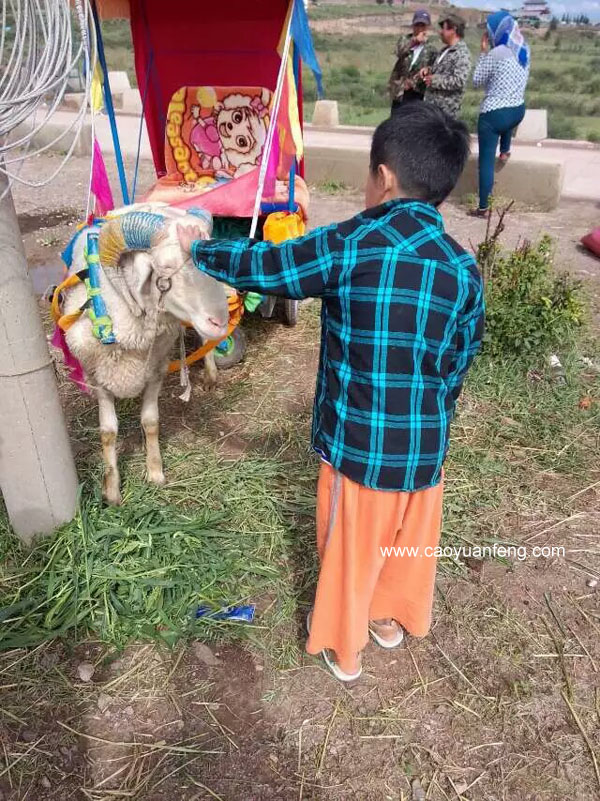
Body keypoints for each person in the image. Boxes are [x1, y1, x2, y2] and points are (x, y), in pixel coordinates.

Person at [177, 103, 484, 683]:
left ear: (383, 178)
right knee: (407, 541)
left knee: (350, 549)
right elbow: (459, 361)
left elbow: (272, 266)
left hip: (359, 451)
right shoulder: (462, 268)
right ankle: (389, 622)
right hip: (425, 452)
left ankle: (346, 650)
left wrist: (199, 248)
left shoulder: (355, 243)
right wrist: (430, 419)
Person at [471, 11, 530, 215]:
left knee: (485, 162)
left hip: (495, 115)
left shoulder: (496, 54)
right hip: (518, 111)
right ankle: (505, 150)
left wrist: (482, 52)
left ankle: (483, 207)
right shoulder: (524, 49)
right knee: (507, 113)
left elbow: (477, 80)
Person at [421, 13, 471, 119]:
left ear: (453, 30)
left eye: (443, 29)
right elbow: (441, 71)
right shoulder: (444, 50)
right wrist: (428, 70)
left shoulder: (461, 53)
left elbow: (459, 80)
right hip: (432, 109)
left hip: (445, 113)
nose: (441, 32)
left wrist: (434, 81)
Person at [388, 9, 437, 111]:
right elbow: (399, 52)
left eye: (422, 26)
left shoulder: (431, 48)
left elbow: (434, 67)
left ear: (427, 27)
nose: (419, 28)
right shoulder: (405, 40)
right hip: (400, 90)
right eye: (417, 25)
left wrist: (426, 71)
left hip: (417, 91)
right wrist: (413, 42)